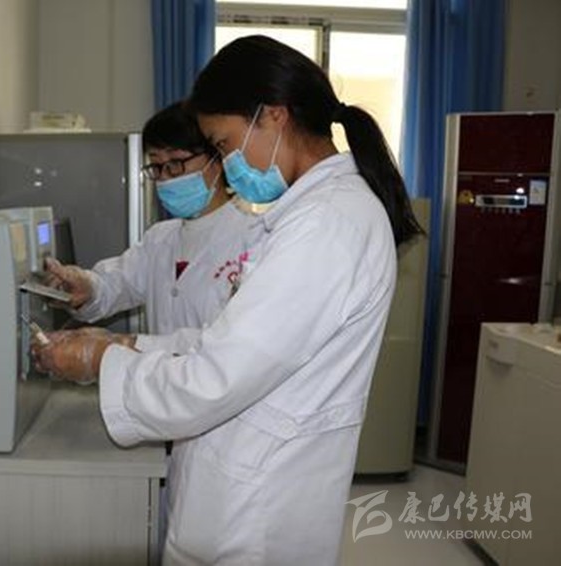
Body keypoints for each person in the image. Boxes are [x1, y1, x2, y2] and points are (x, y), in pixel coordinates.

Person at [35, 35, 423, 565]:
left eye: (222, 144)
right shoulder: (316, 215)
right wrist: (125, 344)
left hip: (256, 510)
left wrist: (100, 360)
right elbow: (227, 344)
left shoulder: (327, 225)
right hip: (244, 483)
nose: (226, 161)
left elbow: (214, 378)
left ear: (274, 116)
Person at [45, 101, 256, 343]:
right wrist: (87, 288)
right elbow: (115, 285)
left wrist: (123, 346)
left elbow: (243, 343)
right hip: (158, 368)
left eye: (175, 164)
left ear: (217, 160)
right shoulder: (159, 239)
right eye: (156, 166)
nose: (165, 178)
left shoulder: (253, 236)